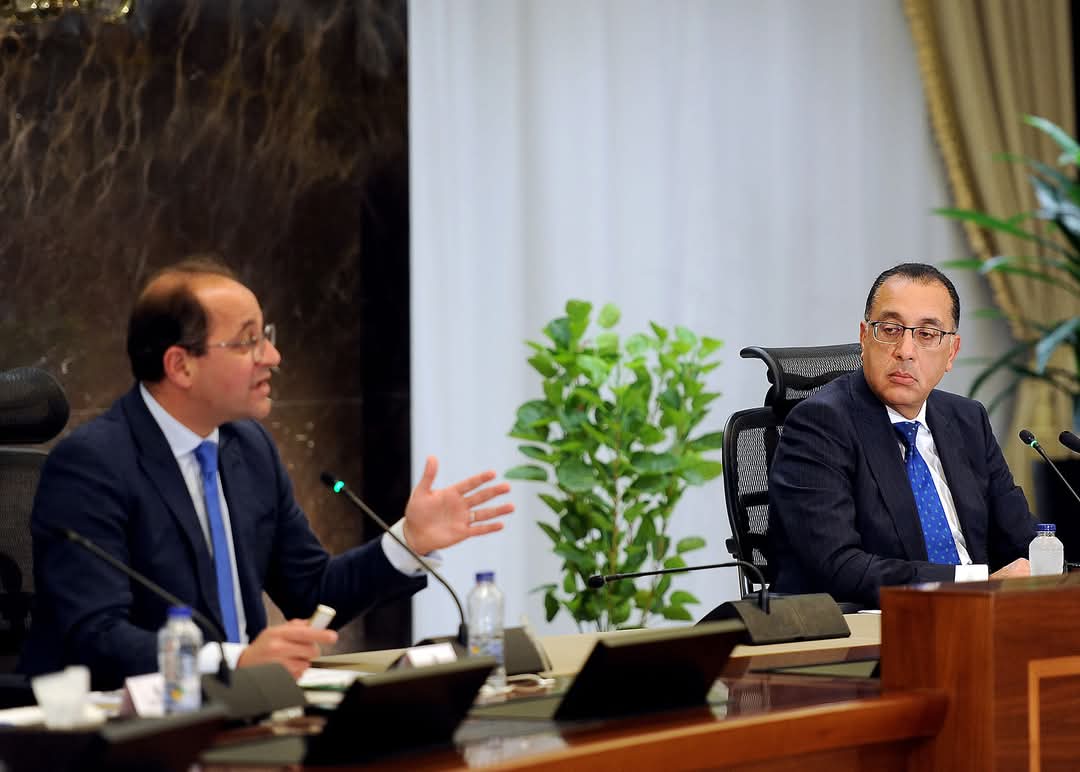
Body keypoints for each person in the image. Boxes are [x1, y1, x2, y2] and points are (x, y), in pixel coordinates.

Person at [20, 257, 513, 689]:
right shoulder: (93, 465)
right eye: (248, 342)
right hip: (127, 729)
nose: (272, 359)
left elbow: (312, 592)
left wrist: (408, 542)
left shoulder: (248, 447)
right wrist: (234, 663)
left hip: (244, 709)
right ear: (181, 366)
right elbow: (96, 635)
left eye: (266, 337)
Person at [769, 263, 1035, 608]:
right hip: (881, 622)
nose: (906, 350)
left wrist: (1050, 563)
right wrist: (975, 583)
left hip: (985, 616)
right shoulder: (820, 425)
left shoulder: (967, 420)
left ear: (951, 352)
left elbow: (1022, 538)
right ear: (864, 337)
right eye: (891, 329)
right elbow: (840, 567)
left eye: (927, 334)